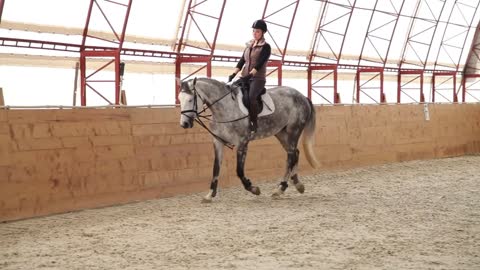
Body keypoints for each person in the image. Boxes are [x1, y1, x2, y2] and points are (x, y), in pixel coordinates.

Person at [228, 19, 271, 134]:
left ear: (262, 33)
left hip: (257, 78)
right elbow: (242, 61)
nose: (255, 33)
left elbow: (260, 63)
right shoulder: (248, 46)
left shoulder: (266, 47)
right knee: (231, 90)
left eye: (257, 31)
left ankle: (254, 122)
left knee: (251, 97)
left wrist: (250, 75)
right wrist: (233, 74)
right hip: (244, 76)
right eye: (254, 31)